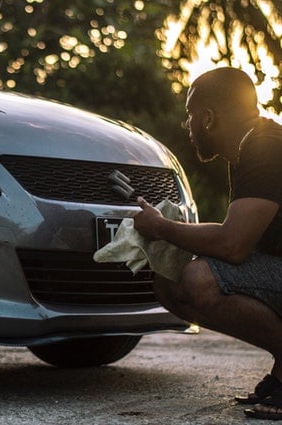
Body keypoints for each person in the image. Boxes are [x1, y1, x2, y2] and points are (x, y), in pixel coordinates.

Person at [133, 67, 282, 420]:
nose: (188, 125)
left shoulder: (265, 147)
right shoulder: (253, 145)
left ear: (209, 117)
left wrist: (162, 227)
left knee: (198, 279)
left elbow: (234, 244)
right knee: (169, 282)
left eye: (190, 114)